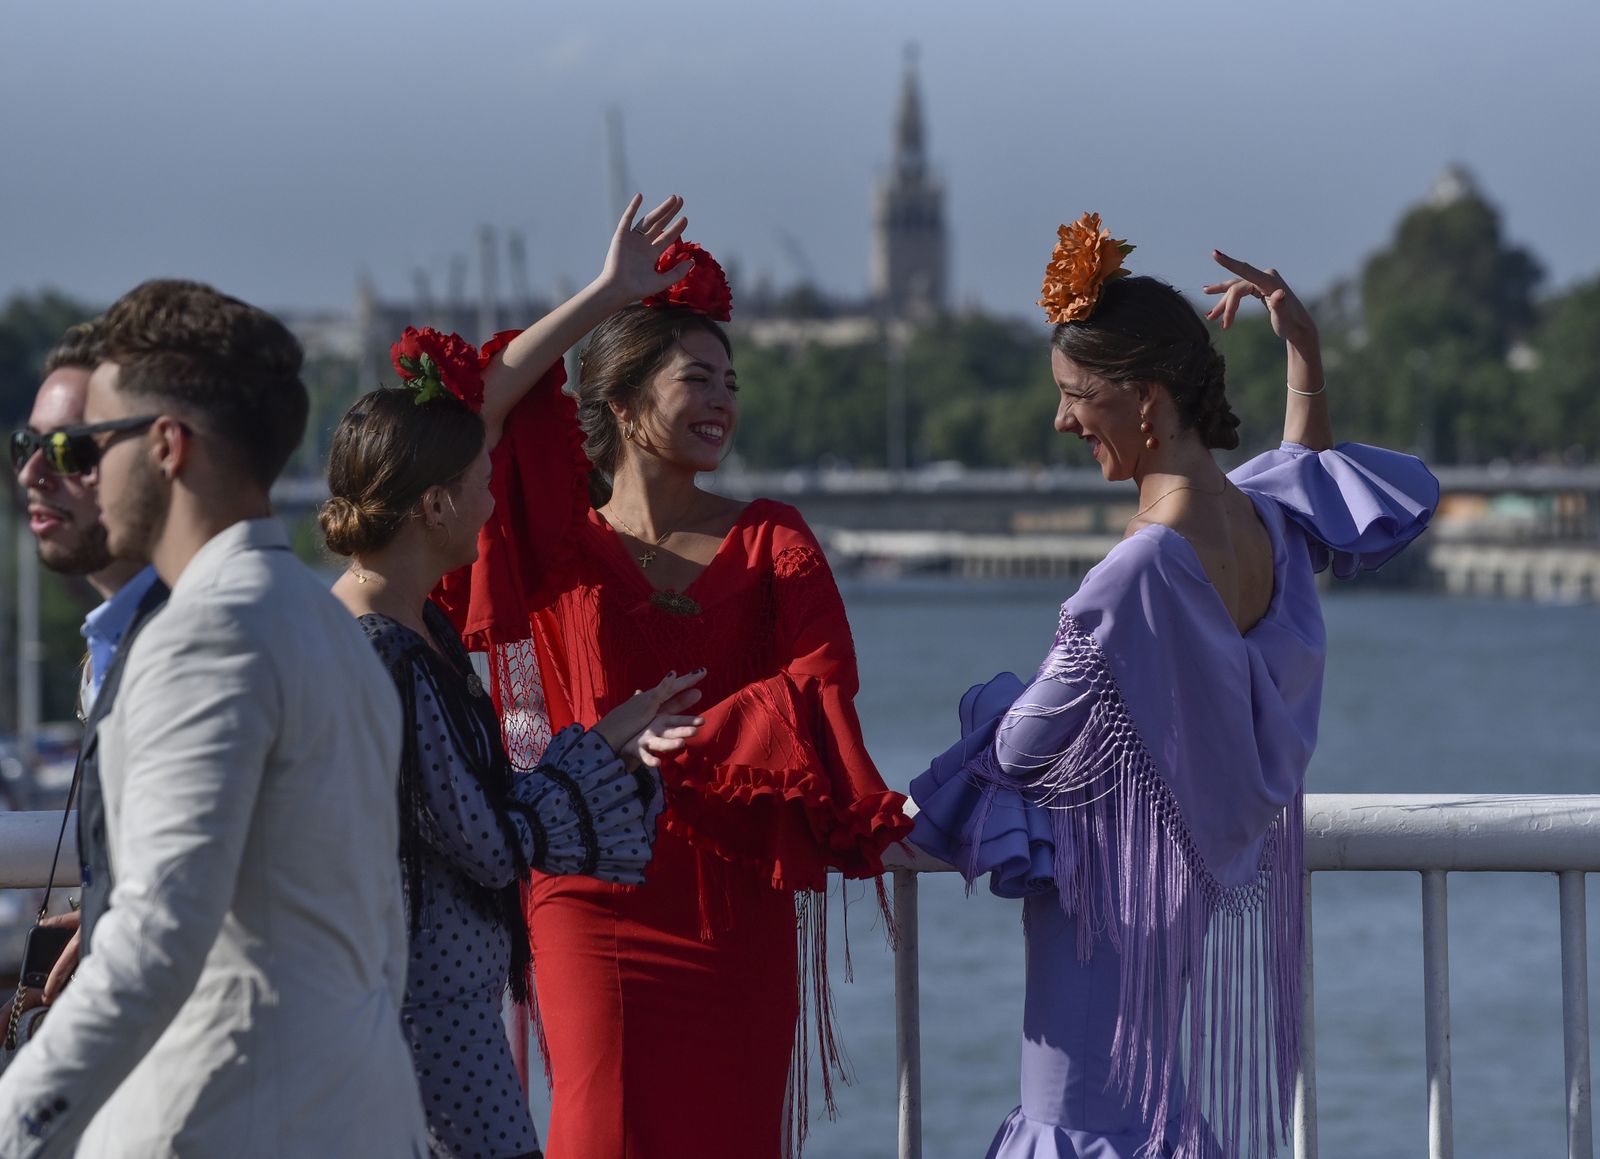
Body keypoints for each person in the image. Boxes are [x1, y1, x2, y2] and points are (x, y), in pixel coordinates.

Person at [908, 215, 1440, 1159]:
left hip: (1100, 915)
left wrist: (963, 738)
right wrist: (1303, 353)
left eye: (1078, 397)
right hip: (1174, 902)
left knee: (1076, 1121)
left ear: (1146, 398)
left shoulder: (1142, 567)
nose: (1064, 421)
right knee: (1142, 1113)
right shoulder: (1262, 524)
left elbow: (1025, 743)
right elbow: (1309, 474)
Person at [433, 195, 914, 1157]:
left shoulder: (772, 534)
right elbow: (462, 416)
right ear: (619, 403)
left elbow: (820, 692)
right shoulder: (556, 538)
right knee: (594, 1131)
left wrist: (685, 746)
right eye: (697, 378)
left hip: (735, 903)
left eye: (731, 382)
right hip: (587, 889)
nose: (723, 401)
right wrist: (607, 293)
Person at [0, 279, 427, 1156]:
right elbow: (381, 933)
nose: (66, 469)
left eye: (89, 443)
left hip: (222, 1122)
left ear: (163, 446)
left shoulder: (204, 638)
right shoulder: (332, 628)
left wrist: (18, 1122)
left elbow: (156, 940)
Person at [323, 333, 704, 1159]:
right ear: (433, 505)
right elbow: (486, 838)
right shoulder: (384, 651)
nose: (493, 505)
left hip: (418, 1007)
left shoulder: (401, 627)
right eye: (479, 485)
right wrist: (601, 754)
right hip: (418, 1019)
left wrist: (602, 738)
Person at [3, 321, 166, 1034]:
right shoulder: (108, 641)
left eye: (65, 450)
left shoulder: (186, 643)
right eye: (25, 446)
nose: (30, 475)